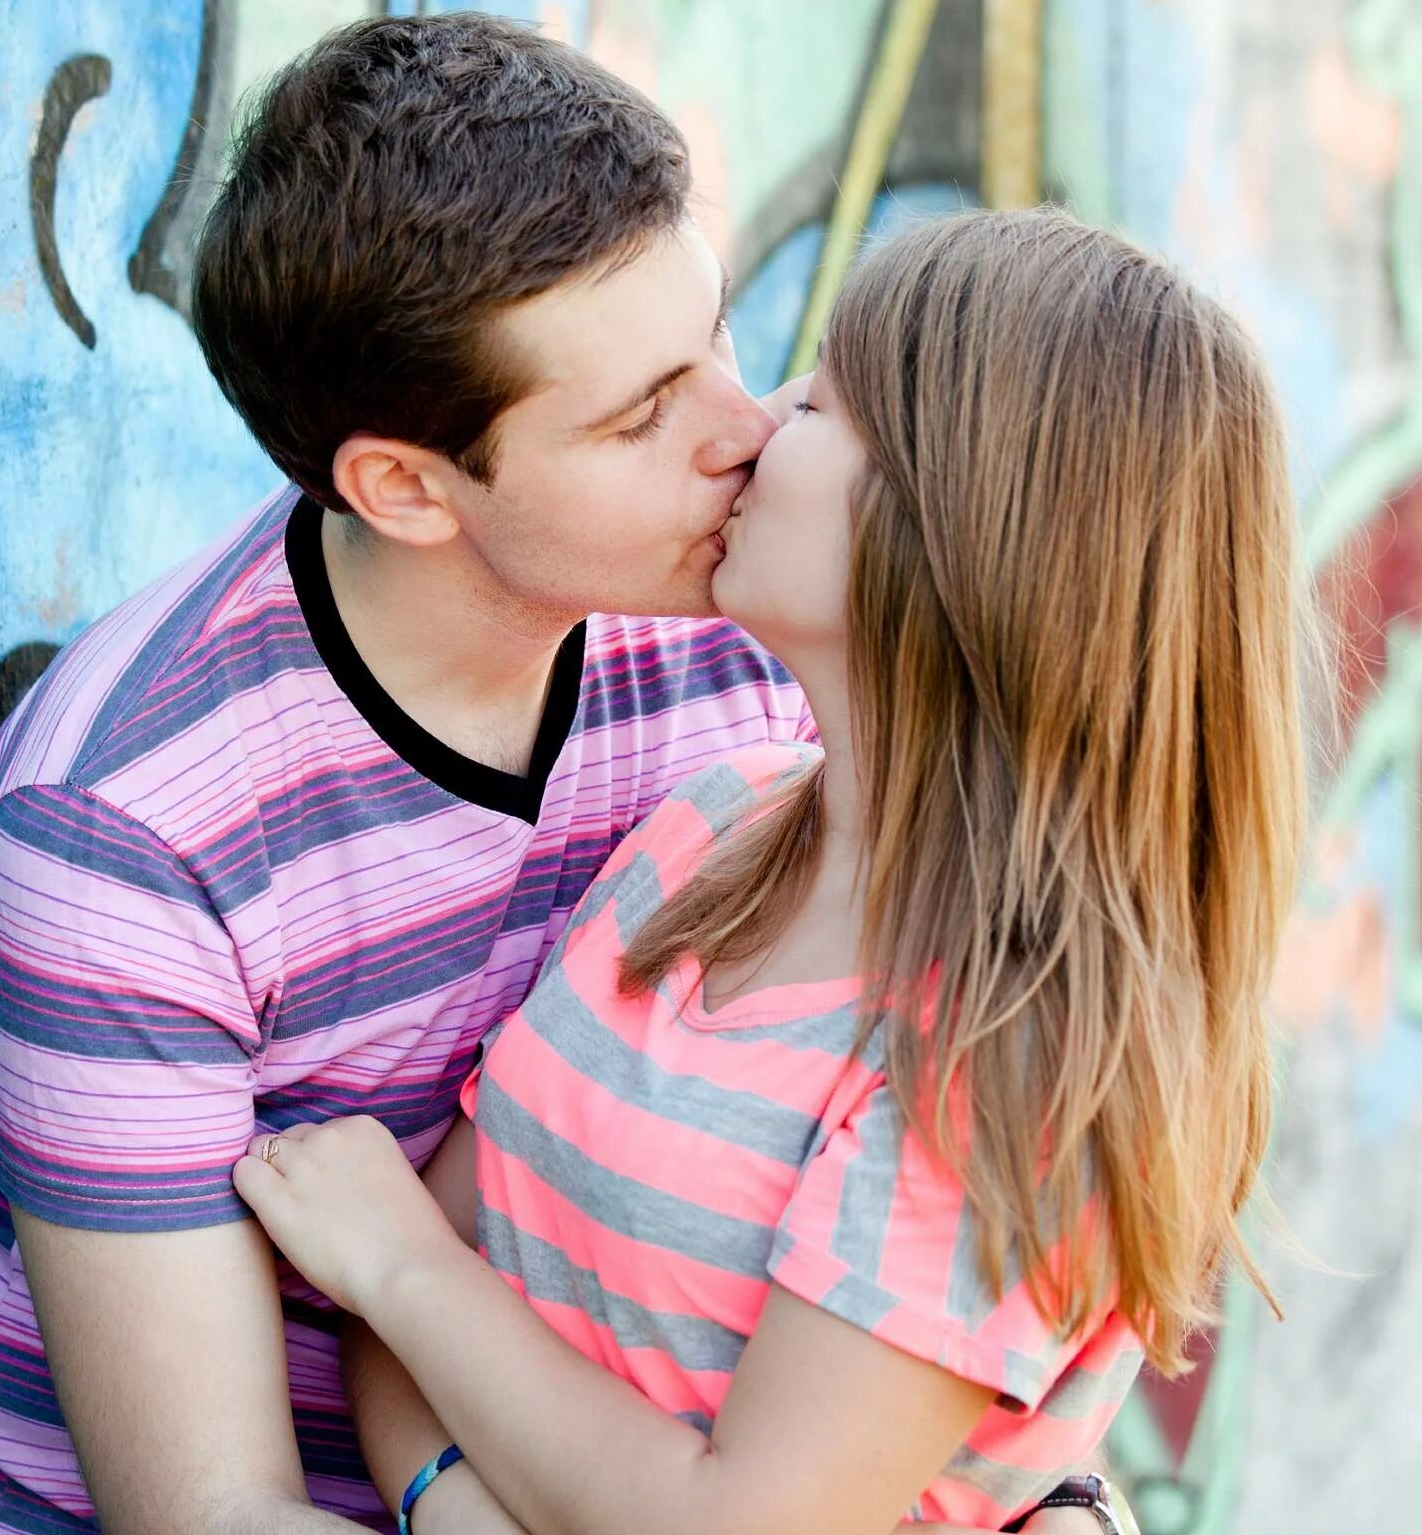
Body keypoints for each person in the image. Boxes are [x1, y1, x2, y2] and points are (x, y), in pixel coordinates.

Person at [0, 14, 1109, 1535]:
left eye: (715, 346)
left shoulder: (750, 648)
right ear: (407, 489)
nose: (746, 433)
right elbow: (211, 1514)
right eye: (643, 415)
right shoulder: (127, 832)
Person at [234, 208, 1306, 1534]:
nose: (755, 423)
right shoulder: (707, 831)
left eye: (823, 401)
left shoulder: (1007, 1064)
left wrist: (398, 1271)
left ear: (953, 537)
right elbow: (430, 1288)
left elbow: (412, 1272)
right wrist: (449, 1489)